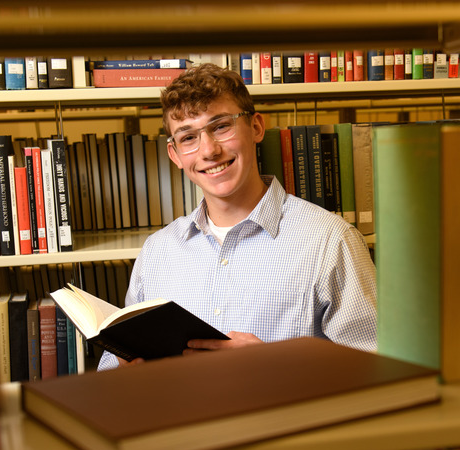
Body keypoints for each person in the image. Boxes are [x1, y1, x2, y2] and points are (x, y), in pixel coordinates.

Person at [97, 63, 376, 370]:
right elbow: (112, 370)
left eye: (220, 126)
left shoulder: (330, 241)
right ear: (175, 155)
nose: (209, 151)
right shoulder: (156, 252)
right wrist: (127, 377)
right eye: (188, 137)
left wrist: (276, 366)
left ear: (256, 127)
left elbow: (378, 373)